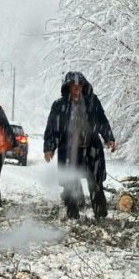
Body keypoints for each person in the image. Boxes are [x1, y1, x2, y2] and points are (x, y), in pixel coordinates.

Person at [44, 71, 117, 220]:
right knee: (70, 182)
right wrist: (49, 148)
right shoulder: (59, 105)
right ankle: (72, 215)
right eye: (73, 86)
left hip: (92, 149)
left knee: (95, 183)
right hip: (69, 150)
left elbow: (102, 120)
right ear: (68, 87)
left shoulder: (92, 101)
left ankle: (100, 215)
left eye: (80, 86)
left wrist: (109, 138)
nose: (77, 89)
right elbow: (51, 128)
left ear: (84, 86)